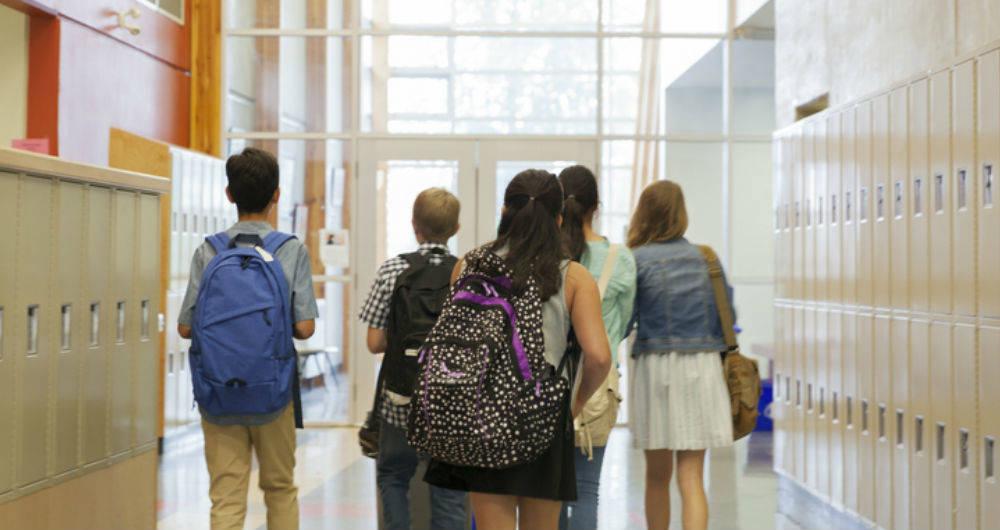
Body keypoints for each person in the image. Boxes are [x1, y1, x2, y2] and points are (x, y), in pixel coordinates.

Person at [423, 169, 613, 530]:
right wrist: (574, 405)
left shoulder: (469, 266)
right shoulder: (572, 276)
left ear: (505, 211)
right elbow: (599, 357)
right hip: (543, 416)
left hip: (482, 414)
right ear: (559, 219)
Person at [177, 147, 318, 530]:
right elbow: (305, 327)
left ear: (229, 194)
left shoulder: (209, 250)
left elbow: (186, 328)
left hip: (218, 392)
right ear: (276, 195)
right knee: (280, 488)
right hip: (273, 391)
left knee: (226, 496)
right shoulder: (291, 249)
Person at [627, 180, 735, 530]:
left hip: (657, 368)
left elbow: (625, 320)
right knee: (692, 478)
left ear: (644, 213)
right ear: (681, 213)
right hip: (703, 367)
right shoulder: (707, 259)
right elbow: (728, 316)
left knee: (657, 476)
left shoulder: (636, 260)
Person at [359, 188, 468, 530]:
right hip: (451, 402)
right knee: (449, 490)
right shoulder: (468, 274)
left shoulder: (393, 270)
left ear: (414, 225)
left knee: (393, 476)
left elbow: (374, 342)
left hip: (399, 400)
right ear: (456, 228)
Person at [557, 166, 636, 530]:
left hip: (549, 385)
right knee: (587, 489)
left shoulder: (548, 258)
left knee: (550, 492)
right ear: (596, 206)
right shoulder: (619, 259)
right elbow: (622, 325)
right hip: (598, 385)